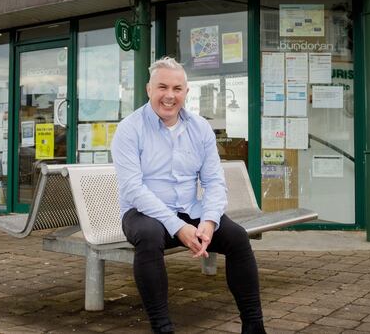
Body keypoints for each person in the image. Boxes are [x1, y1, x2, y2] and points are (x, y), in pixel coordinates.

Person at [111, 57, 266, 334]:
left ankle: (254, 326)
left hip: (191, 211)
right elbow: (134, 189)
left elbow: (215, 182)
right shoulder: (129, 129)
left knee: (238, 238)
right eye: (162, 87)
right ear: (149, 89)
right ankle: (162, 328)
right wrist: (178, 226)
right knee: (148, 237)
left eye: (177, 89)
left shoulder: (200, 128)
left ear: (186, 92)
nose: (169, 96)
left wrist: (209, 221)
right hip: (143, 213)